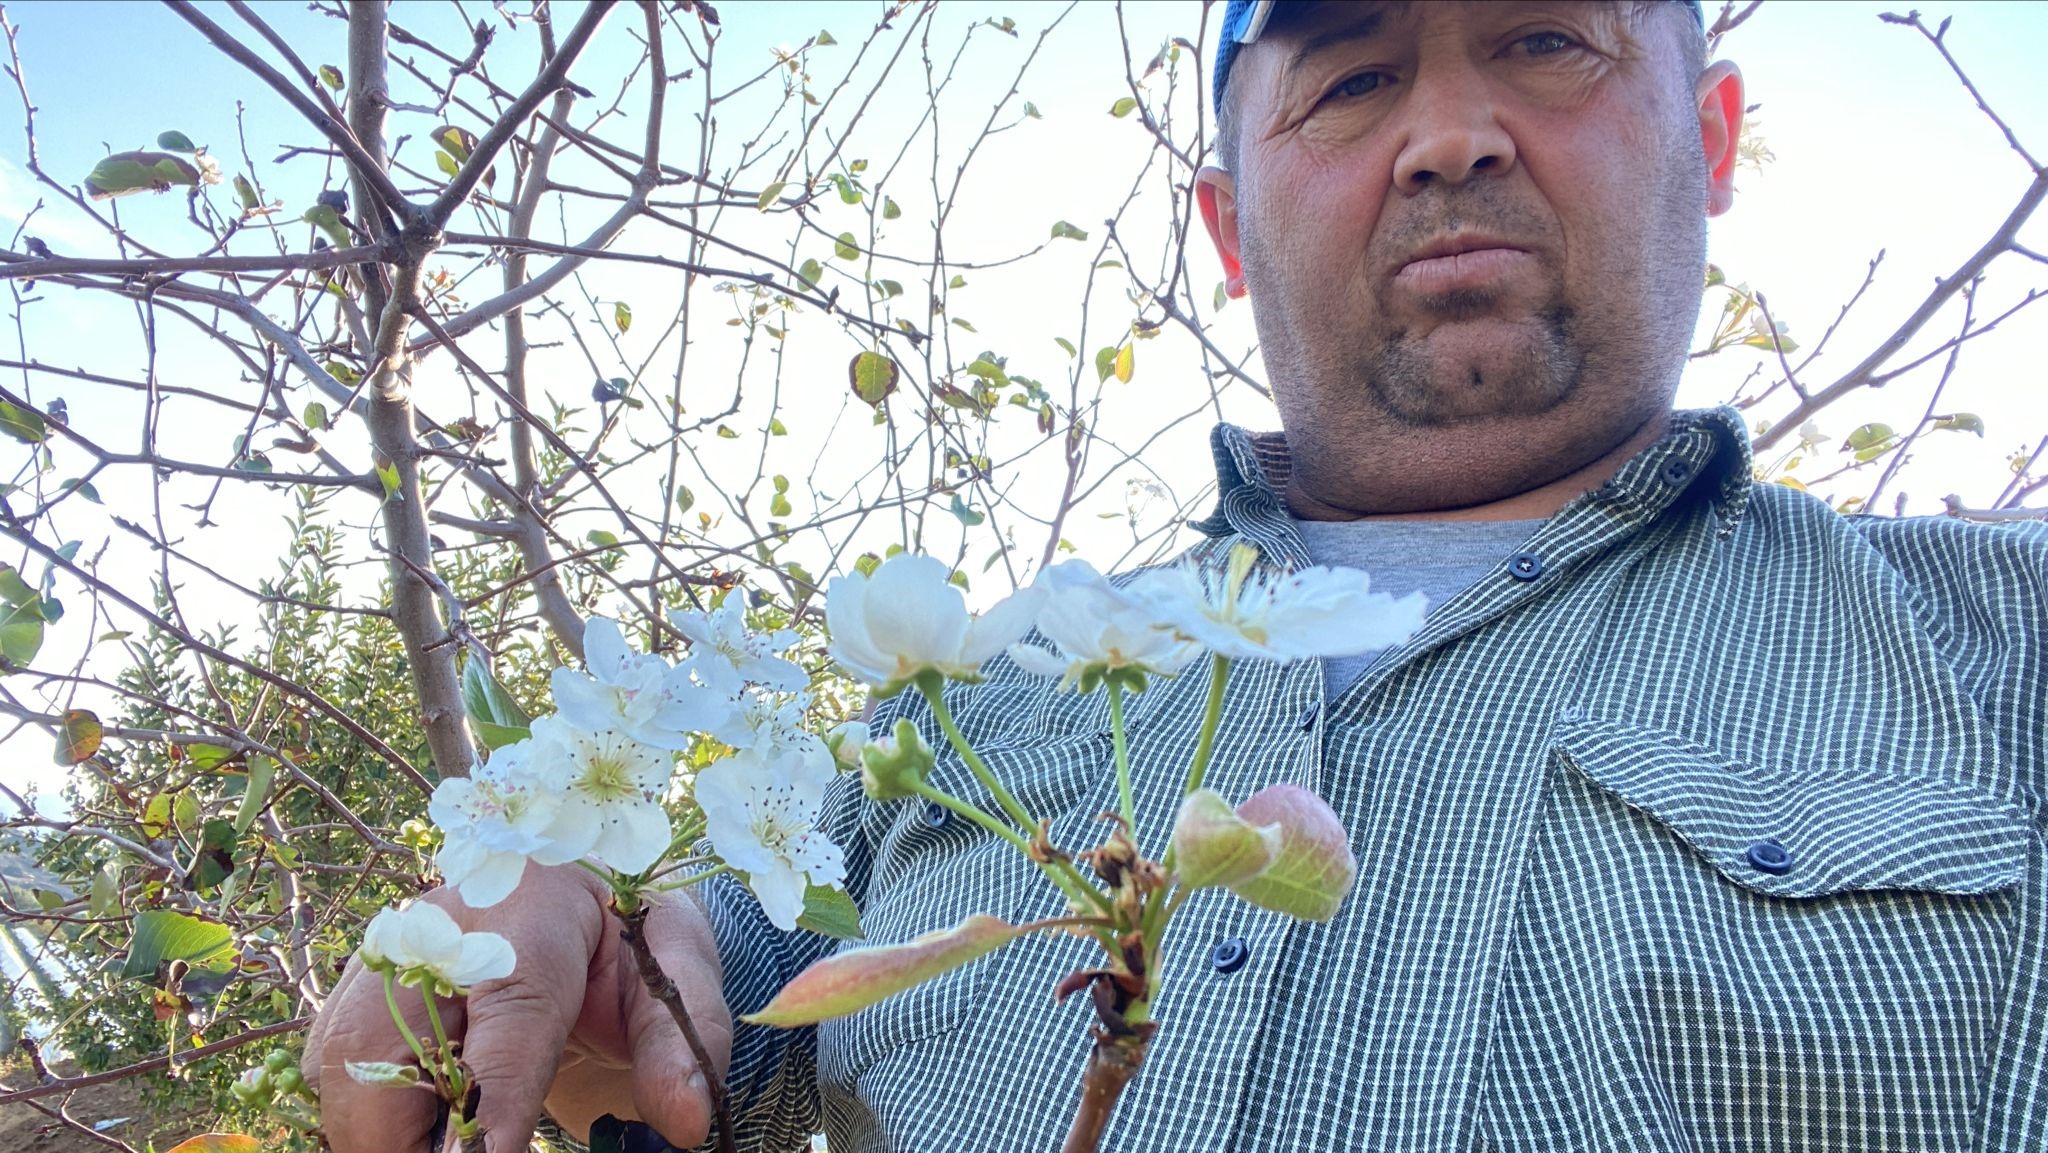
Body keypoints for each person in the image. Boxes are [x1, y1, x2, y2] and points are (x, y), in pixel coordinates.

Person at [308, 1, 2048, 1150]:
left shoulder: (2005, 639)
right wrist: (556, 942)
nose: (1451, 134)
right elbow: (687, 1000)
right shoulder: (995, 687)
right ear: (1224, 225)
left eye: (1545, 39)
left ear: (1717, 135)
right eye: (1352, 79)